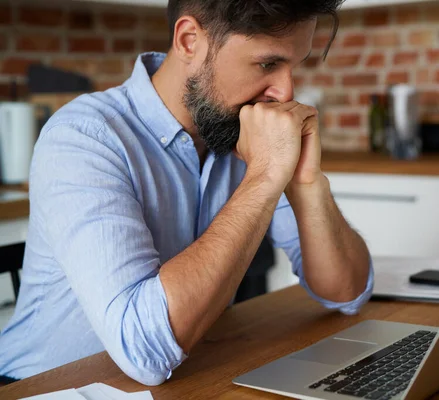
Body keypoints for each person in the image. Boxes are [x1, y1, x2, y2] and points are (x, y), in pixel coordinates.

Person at [0, 0, 373, 386]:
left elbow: (346, 293)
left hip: (181, 380)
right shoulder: (84, 138)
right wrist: (264, 177)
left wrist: (307, 182)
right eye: (267, 64)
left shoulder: (240, 130)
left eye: (294, 65)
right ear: (189, 40)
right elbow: (143, 350)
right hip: (42, 387)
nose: (285, 91)